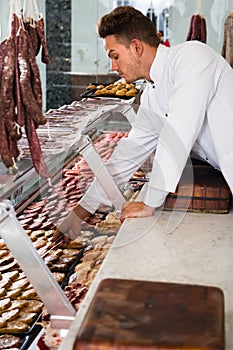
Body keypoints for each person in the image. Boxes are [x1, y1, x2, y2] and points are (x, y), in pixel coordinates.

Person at [53, 5, 233, 245]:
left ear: (136, 47)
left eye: (115, 56)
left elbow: (178, 132)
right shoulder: (151, 94)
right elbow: (126, 156)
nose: (113, 67)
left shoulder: (192, 57)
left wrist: (151, 201)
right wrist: (79, 214)